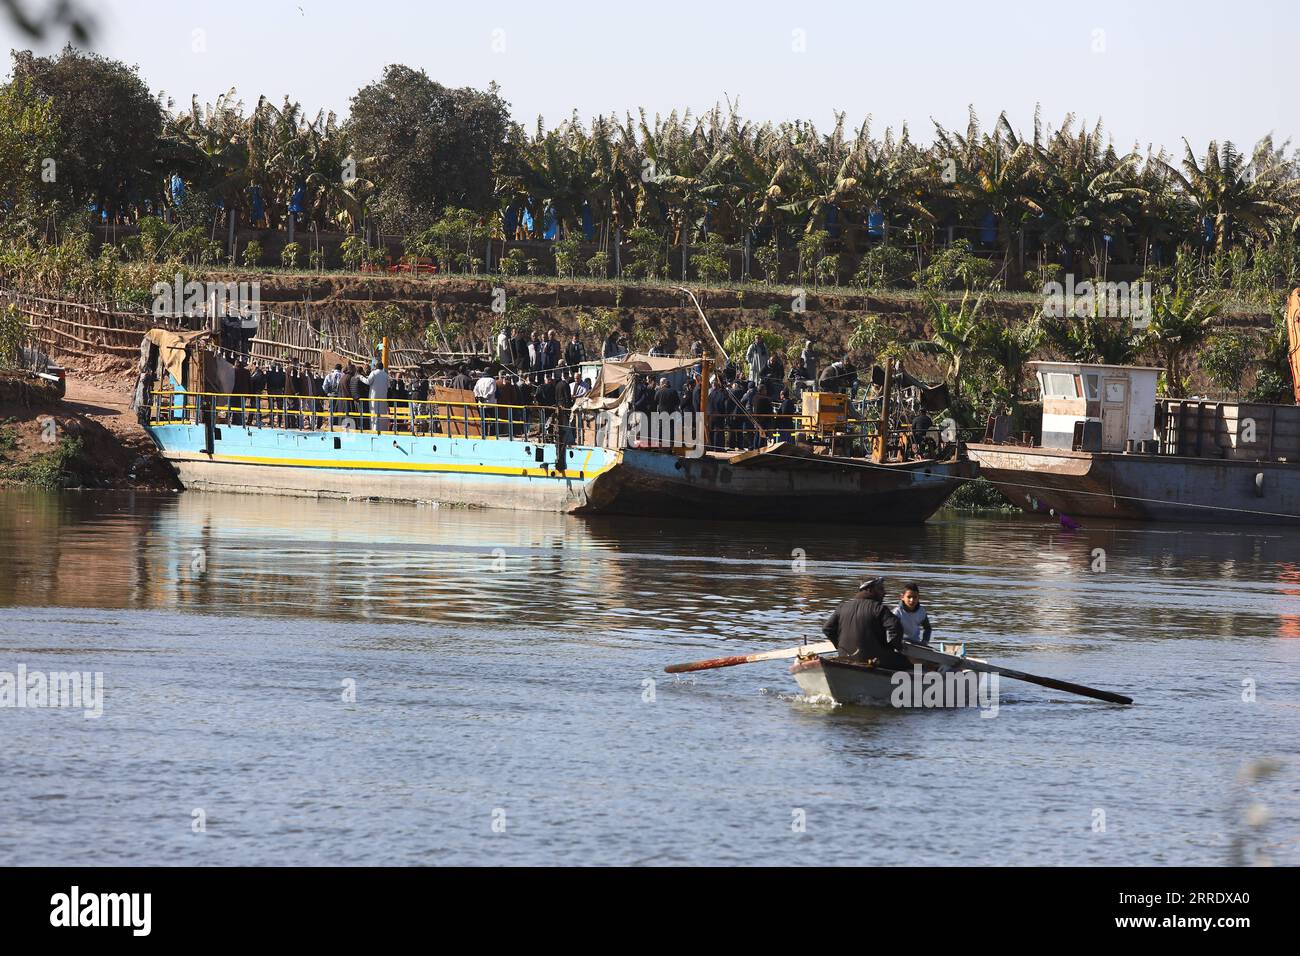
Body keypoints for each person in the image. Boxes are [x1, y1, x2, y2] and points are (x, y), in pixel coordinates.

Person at [821, 576, 907, 669]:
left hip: (844, 657)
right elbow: (895, 627)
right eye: (881, 589)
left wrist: (840, 646)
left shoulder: (842, 607)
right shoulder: (879, 608)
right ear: (869, 590)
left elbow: (827, 629)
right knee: (908, 662)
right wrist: (892, 647)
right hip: (875, 660)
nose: (884, 593)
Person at [360, 359, 390, 431]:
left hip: (374, 397)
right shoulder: (386, 375)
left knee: (374, 412)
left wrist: (361, 377)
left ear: (376, 367)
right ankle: (383, 428)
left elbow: (368, 382)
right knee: (382, 413)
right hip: (383, 397)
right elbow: (388, 386)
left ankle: (374, 429)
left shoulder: (373, 373)